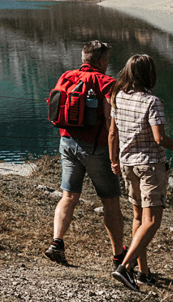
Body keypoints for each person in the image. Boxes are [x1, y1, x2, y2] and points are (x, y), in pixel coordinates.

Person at [107, 53, 173, 291]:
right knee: (153, 221)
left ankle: (143, 273)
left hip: (127, 164)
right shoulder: (152, 102)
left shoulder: (118, 97)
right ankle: (125, 268)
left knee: (139, 219)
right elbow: (160, 139)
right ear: (150, 74)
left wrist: (113, 160)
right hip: (149, 166)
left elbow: (112, 133)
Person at [43, 40, 126, 267]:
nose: (108, 63)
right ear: (100, 61)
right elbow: (112, 122)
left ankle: (57, 243)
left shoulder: (66, 77)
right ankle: (119, 256)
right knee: (110, 202)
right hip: (96, 149)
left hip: (67, 142)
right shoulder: (107, 83)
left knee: (68, 196)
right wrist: (115, 154)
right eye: (107, 59)